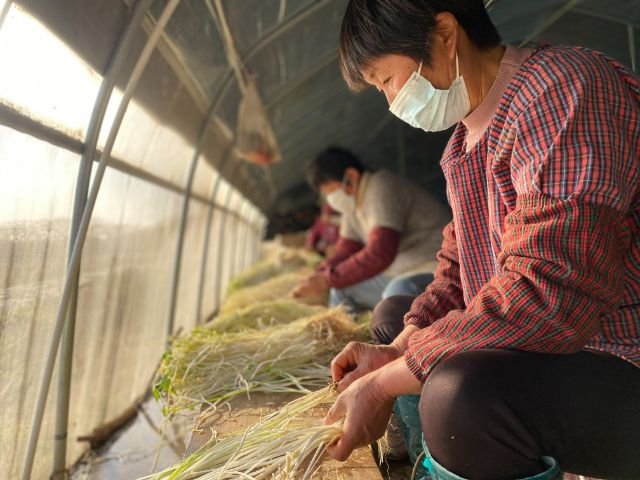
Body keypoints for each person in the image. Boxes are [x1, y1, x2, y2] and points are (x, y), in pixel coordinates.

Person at [323, 1, 640, 479]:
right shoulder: (465, 142)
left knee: (459, 397)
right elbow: (457, 272)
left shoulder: (563, 92)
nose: (391, 103)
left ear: (445, 35)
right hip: (560, 351)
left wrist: (387, 382)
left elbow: (546, 294)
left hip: (618, 353)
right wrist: (397, 352)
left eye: (388, 80)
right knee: (394, 320)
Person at [293, 146, 448, 310]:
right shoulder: (353, 206)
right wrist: (319, 273)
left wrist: (326, 279)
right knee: (341, 290)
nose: (330, 198)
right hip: (400, 271)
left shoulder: (380, 185)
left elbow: (380, 252)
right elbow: (346, 248)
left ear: (351, 176)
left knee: (395, 294)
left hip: (433, 267)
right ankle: (343, 334)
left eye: (330, 190)